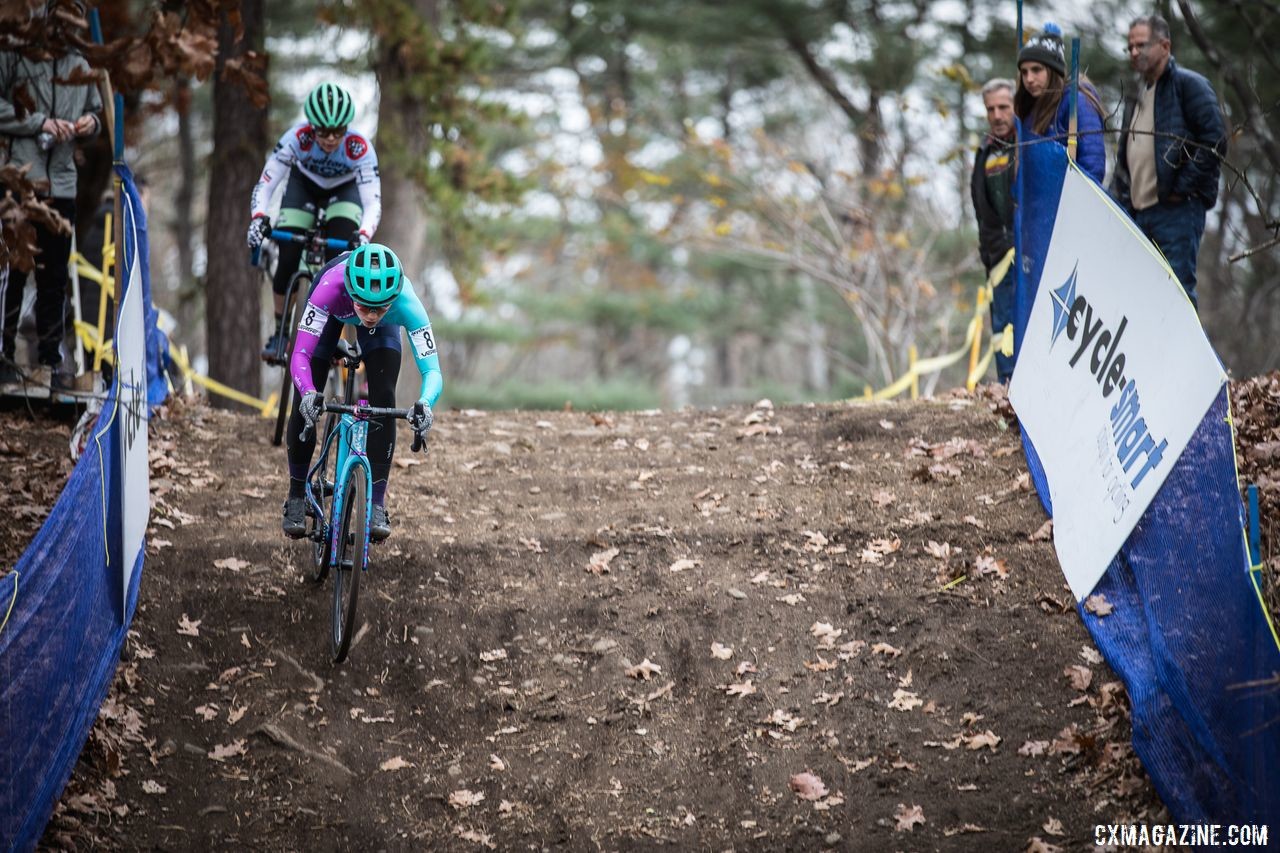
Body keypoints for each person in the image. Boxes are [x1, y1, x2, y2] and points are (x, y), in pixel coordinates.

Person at [281, 242, 441, 543]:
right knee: (305, 399)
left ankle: (377, 503)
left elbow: (432, 370)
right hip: (333, 314)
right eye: (365, 306)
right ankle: (296, 495)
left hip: (383, 330)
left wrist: (425, 403)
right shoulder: (330, 287)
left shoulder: (406, 301)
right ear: (352, 292)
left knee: (385, 396)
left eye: (379, 307)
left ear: (393, 299)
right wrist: (308, 391)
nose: (370, 314)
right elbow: (300, 355)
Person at [0, 18, 103, 393]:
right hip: (21, 180)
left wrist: (89, 124)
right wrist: (41, 123)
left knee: (54, 278)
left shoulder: (81, 62)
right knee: (14, 271)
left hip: (62, 185)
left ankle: (49, 364)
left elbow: (97, 112)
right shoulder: (16, 55)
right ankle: (5, 359)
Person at [246, 81, 382, 360]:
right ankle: (281, 332)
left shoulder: (359, 148)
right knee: (288, 256)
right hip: (303, 187)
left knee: (340, 260)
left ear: (347, 127)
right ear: (311, 127)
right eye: (323, 131)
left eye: (338, 131)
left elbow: (372, 202)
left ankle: (331, 334)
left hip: (344, 192)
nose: (331, 138)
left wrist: (364, 235)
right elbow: (267, 182)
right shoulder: (296, 139)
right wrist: (258, 218)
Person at [1111, 14, 1226, 311]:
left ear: (1164, 45)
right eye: (1130, 47)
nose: (1135, 53)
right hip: (1141, 215)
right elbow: (1127, 158)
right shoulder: (1136, 94)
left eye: (1141, 45)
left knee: (1177, 298)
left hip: (1176, 212)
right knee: (1139, 300)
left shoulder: (1190, 85)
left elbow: (1214, 140)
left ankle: (1184, 359)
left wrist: (1181, 189)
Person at [1014, 23, 1107, 185]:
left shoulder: (1077, 103)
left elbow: (1093, 166)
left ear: (1053, 71)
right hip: (1040, 207)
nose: (1029, 79)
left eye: (1036, 70)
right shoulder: (1028, 113)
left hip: (1070, 204)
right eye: (1024, 72)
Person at [971, 78, 1017, 383]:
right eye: (991, 109)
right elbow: (981, 207)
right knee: (1001, 329)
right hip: (997, 257)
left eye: (1003, 107)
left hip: (1028, 252)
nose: (997, 115)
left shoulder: (1029, 145)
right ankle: (1007, 389)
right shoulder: (985, 152)